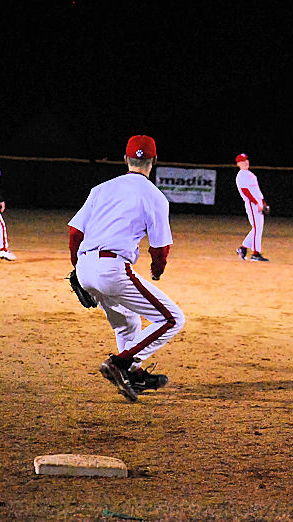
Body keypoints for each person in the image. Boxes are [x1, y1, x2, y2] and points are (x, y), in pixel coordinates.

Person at [68, 135, 186, 402]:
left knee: (127, 322)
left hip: (86, 265)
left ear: (125, 159)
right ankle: (119, 363)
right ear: (154, 160)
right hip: (112, 269)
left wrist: (79, 268)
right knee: (172, 319)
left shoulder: (101, 189)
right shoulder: (155, 196)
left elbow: (75, 232)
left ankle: (133, 374)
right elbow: (160, 248)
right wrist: (157, 271)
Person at [235, 153, 269, 262]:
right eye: (243, 160)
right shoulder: (241, 175)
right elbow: (245, 191)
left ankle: (243, 248)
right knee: (257, 228)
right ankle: (255, 254)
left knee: (257, 228)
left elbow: (257, 190)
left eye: (246, 160)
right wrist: (256, 203)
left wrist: (263, 202)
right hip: (251, 203)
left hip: (258, 202)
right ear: (238, 163)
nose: (246, 162)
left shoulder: (250, 174)